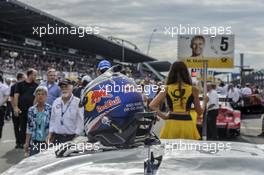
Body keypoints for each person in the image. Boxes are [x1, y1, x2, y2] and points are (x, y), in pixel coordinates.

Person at [149, 61, 203, 139]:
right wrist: (205, 103)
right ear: (186, 73)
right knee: (188, 150)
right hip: (187, 124)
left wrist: (164, 117)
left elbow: (152, 105)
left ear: (171, 73)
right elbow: (199, 112)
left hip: (171, 124)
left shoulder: (166, 88)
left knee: (170, 150)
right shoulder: (193, 89)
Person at [48, 79, 84, 144]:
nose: (64, 89)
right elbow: (52, 120)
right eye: (62, 87)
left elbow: (81, 123)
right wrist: (49, 136)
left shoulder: (78, 102)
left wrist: (75, 139)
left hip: (72, 138)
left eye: (66, 87)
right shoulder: (56, 102)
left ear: (71, 87)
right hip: (57, 138)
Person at [14, 69, 38, 146]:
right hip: (22, 109)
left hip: (32, 110)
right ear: (30, 75)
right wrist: (15, 107)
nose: (35, 77)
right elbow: (16, 96)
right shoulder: (19, 84)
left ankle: (30, 142)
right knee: (23, 126)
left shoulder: (36, 85)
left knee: (31, 126)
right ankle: (22, 142)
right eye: (34, 75)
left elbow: (36, 97)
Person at [24, 86, 51, 156]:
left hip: (46, 142)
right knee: (33, 162)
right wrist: (27, 143)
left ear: (46, 96)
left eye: (43, 94)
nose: (40, 96)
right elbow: (29, 127)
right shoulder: (31, 110)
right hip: (35, 141)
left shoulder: (50, 109)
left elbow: (53, 126)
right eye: (38, 94)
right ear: (35, 96)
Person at [10, 72, 26, 148]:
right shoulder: (13, 86)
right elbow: (12, 98)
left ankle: (22, 142)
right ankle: (18, 142)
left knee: (22, 126)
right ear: (20, 78)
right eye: (24, 77)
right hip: (16, 109)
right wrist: (14, 109)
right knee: (16, 126)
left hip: (23, 109)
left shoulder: (24, 86)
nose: (25, 79)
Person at [0, 75, 10, 140]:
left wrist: (0, 104)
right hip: (1, 107)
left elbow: (6, 97)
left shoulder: (4, 87)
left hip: (1, 107)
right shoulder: (5, 87)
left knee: (0, 124)